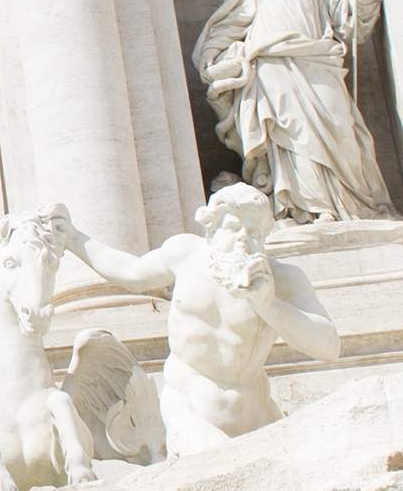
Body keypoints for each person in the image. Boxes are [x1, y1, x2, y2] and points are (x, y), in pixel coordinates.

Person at [60, 183, 339, 456]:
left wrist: (267, 304)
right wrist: (73, 237)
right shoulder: (185, 255)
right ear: (212, 232)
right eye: (233, 227)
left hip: (258, 413)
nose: (244, 237)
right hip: (190, 415)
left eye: (253, 231)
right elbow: (129, 272)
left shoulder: (284, 279)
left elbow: (329, 346)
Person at [194, 0, 397, 222]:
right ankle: (306, 209)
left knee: (341, 129)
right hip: (271, 63)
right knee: (290, 135)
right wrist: (210, 54)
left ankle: (353, 206)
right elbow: (234, 20)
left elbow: (349, 13)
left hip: (316, 58)